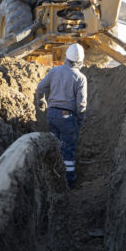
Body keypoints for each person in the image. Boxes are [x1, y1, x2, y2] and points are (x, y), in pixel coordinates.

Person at [36, 43, 87, 190]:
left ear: (67, 58)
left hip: (51, 115)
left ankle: (52, 180)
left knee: (54, 146)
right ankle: (69, 183)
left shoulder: (55, 71)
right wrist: (79, 121)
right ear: (81, 60)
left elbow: (40, 88)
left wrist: (41, 100)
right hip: (67, 117)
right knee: (68, 150)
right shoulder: (80, 78)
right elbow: (81, 104)